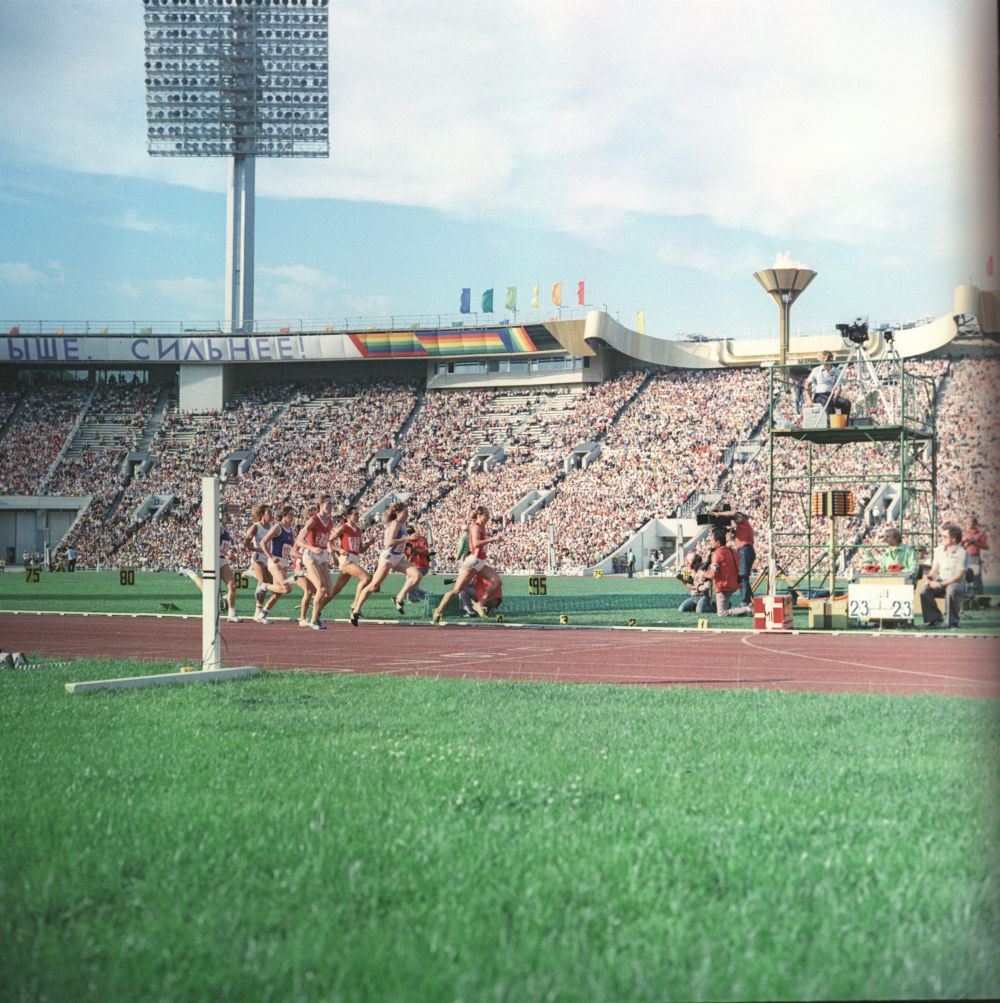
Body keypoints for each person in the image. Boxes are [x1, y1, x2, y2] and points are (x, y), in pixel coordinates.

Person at [350, 502, 423, 626]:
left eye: (408, 512)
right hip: (388, 558)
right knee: (373, 586)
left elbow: (401, 542)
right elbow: (389, 542)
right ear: (397, 513)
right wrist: (408, 539)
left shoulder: (403, 524)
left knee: (417, 575)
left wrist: (410, 542)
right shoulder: (395, 523)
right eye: (405, 512)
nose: (407, 514)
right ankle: (356, 610)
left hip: (398, 557)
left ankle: (398, 598)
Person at [433, 506, 503, 624]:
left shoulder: (482, 526)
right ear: (479, 515)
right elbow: (476, 544)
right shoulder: (476, 526)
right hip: (472, 562)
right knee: (456, 590)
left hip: (480, 562)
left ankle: (479, 604)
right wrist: (492, 540)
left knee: (497, 581)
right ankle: (438, 612)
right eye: (486, 515)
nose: (488, 517)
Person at [295, 493, 336, 630]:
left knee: (329, 592)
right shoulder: (313, 520)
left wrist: (332, 553)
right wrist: (312, 547)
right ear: (321, 505)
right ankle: (313, 620)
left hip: (322, 557)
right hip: (311, 556)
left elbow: (327, 540)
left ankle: (316, 612)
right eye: (328, 504)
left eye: (332, 504)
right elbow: (299, 540)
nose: (330, 506)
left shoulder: (330, 522)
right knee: (321, 588)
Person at [918, 524, 968, 629]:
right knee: (924, 590)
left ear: (953, 539)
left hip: (957, 583)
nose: (942, 539)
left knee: (952, 590)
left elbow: (959, 577)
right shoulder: (939, 550)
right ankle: (935, 619)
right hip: (941, 581)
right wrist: (930, 578)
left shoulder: (962, 553)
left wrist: (940, 584)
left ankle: (953, 622)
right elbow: (934, 569)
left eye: (945, 537)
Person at [327, 506, 373, 611]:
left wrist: (369, 543)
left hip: (354, 559)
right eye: (355, 514)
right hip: (346, 560)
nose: (357, 516)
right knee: (366, 579)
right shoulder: (344, 528)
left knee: (336, 589)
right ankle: (355, 606)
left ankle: (318, 607)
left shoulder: (358, 530)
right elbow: (329, 541)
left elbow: (360, 550)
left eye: (358, 514)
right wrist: (339, 549)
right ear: (348, 516)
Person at [256, 505, 297, 624]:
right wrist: (270, 556)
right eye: (290, 515)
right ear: (284, 515)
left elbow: (292, 548)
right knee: (287, 588)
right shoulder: (277, 527)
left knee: (278, 592)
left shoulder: (291, 530)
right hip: (275, 563)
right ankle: (264, 586)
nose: (292, 517)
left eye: (293, 515)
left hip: (283, 563)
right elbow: (263, 542)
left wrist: (296, 557)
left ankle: (261, 615)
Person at [704, 527, 751, 616]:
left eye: (712, 541)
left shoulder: (717, 554)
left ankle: (747, 609)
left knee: (721, 613)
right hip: (734, 584)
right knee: (719, 604)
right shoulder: (733, 551)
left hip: (723, 586)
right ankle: (736, 608)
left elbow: (713, 574)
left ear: (718, 542)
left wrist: (703, 574)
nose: (710, 542)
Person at [803, 350, 851, 417]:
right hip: (820, 395)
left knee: (846, 403)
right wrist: (808, 399)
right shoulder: (816, 370)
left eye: (825, 358)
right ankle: (831, 422)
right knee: (828, 402)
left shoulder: (837, 371)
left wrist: (834, 398)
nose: (824, 360)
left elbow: (838, 387)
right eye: (822, 358)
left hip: (832, 395)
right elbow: (807, 384)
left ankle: (844, 422)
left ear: (830, 359)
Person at [404, 524, 432, 602]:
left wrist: (415, 550)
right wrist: (409, 550)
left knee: (411, 580)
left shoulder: (422, 539)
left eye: (410, 532)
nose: (409, 534)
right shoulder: (407, 541)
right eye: (408, 533)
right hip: (413, 566)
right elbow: (407, 554)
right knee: (412, 583)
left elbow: (425, 551)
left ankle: (413, 599)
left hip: (422, 566)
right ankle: (428, 595)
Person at [962, 515, 988, 596]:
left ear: (975, 523)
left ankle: (979, 599)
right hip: (964, 558)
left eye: (970, 522)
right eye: (966, 522)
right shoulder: (964, 533)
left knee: (976, 579)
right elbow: (959, 546)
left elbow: (986, 547)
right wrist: (966, 543)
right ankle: (965, 598)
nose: (967, 523)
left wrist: (975, 543)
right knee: (964, 578)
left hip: (974, 558)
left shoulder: (980, 534)